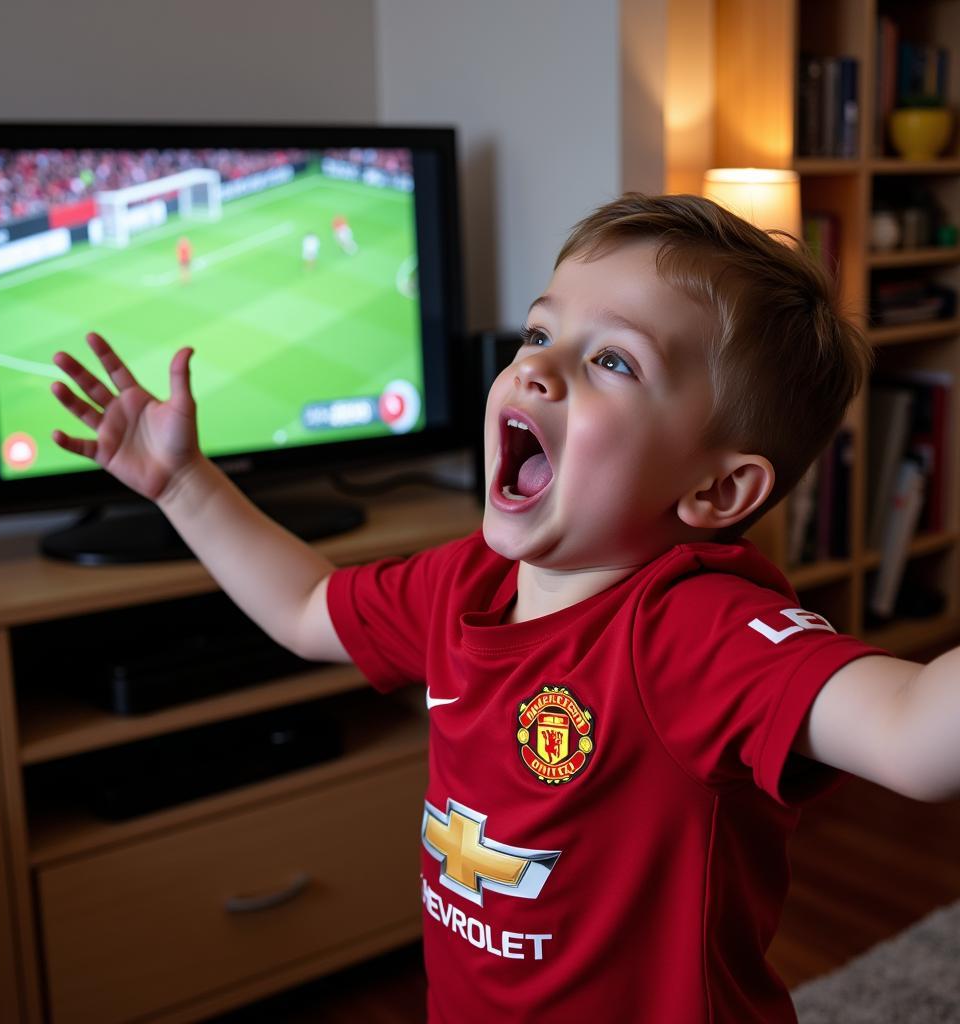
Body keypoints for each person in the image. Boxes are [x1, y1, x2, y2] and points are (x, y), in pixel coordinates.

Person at [49, 193, 953, 1023]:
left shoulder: (690, 627)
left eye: (611, 360)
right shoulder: (465, 582)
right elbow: (304, 608)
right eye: (537, 333)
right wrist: (182, 486)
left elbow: (915, 735)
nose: (537, 370)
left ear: (716, 491)